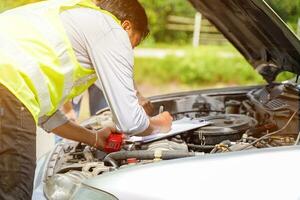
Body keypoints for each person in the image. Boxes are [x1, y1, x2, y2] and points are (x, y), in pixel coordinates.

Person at [0, 0, 173, 199]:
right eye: (132, 44)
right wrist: (159, 125)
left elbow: (48, 117)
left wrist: (94, 138)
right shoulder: (110, 28)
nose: (129, 52)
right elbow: (130, 121)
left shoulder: (67, 17)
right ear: (126, 26)